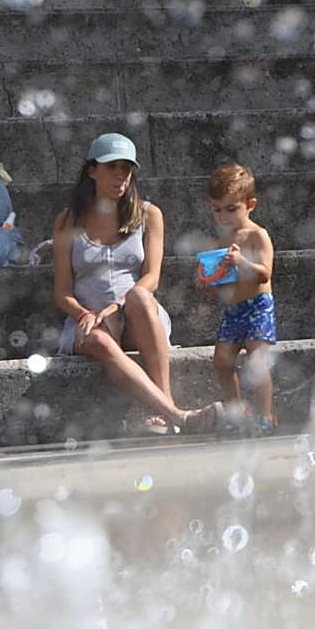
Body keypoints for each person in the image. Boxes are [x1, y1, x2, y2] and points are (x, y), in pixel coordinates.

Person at [53, 132, 220, 434]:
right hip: (89, 321)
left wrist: (118, 305)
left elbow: (152, 277)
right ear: (92, 170)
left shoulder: (148, 214)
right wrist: (85, 314)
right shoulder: (68, 221)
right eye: (112, 167)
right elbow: (62, 291)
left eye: (126, 168)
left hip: (135, 316)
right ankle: (179, 416)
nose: (120, 175)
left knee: (141, 296)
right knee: (99, 340)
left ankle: (165, 410)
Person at [199, 163, 278, 435]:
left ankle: (265, 415)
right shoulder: (221, 242)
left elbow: (264, 274)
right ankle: (237, 409)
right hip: (234, 308)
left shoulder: (257, 235)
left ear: (250, 205)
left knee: (258, 361)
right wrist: (207, 282)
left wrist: (241, 261)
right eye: (217, 209)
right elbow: (220, 288)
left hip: (258, 306)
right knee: (222, 360)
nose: (223, 216)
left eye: (231, 209)